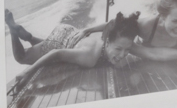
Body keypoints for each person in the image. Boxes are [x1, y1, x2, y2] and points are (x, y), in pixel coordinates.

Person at [9, 10, 148, 83]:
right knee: (21, 57)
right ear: (107, 42)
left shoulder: (115, 35)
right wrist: (28, 72)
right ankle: (12, 29)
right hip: (59, 41)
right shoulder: (89, 57)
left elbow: (112, 23)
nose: (123, 55)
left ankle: (30, 37)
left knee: (44, 46)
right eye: (118, 49)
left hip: (72, 33)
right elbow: (57, 53)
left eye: (127, 50)